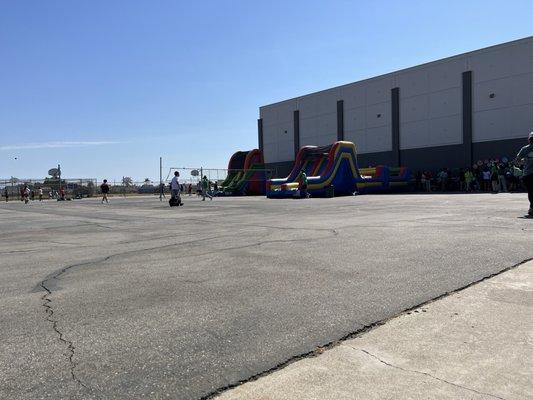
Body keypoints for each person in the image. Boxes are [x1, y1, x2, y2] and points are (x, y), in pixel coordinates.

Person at [515, 132, 533, 216]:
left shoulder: (525, 149)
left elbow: (517, 160)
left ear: (529, 139)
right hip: (528, 174)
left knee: (531, 192)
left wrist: (525, 161)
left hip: (528, 174)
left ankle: (532, 209)